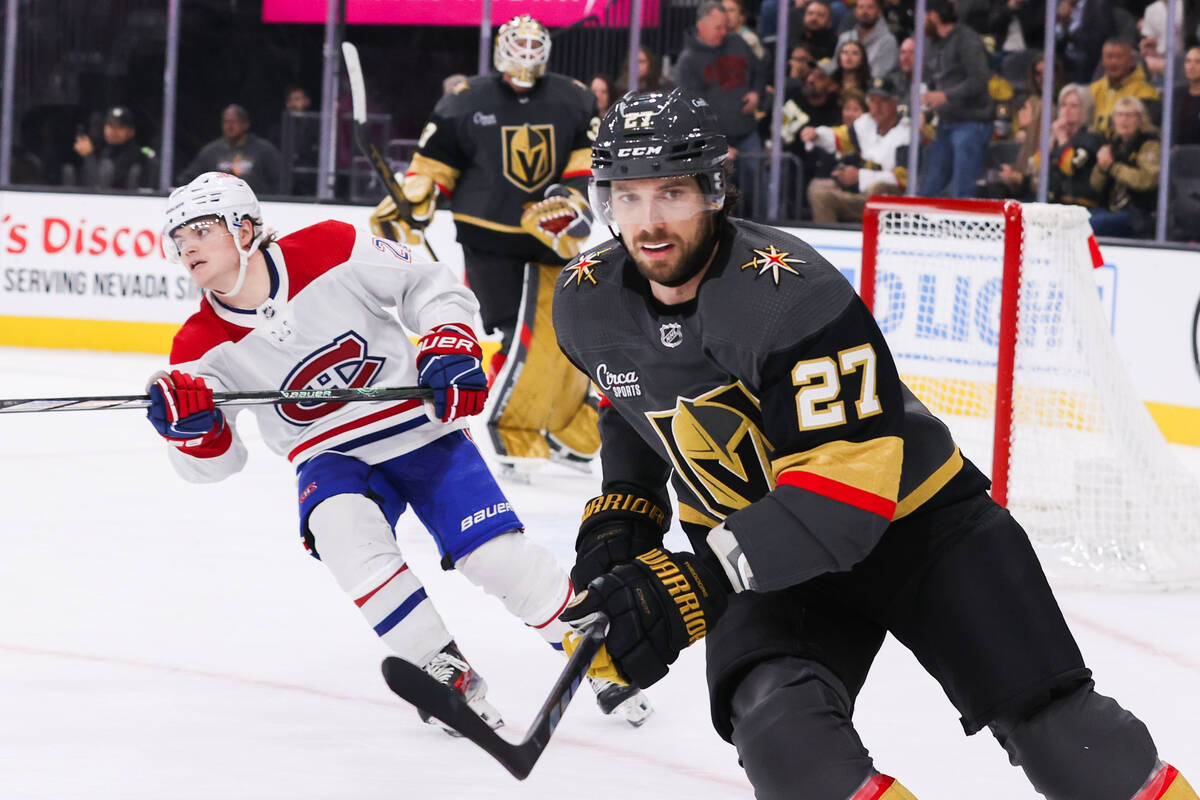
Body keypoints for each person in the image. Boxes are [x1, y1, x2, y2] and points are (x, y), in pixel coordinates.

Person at [552, 87, 1199, 800]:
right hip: (758, 557)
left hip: (917, 528)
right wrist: (623, 516)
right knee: (781, 736)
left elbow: (843, 495)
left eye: (671, 193)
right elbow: (633, 402)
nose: (649, 223)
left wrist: (693, 583)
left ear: (713, 190)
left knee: (1058, 731)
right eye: (628, 197)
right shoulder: (587, 298)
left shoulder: (787, 293)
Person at [150, 172, 652, 735]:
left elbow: (429, 282)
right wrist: (191, 430)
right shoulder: (196, 347)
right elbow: (215, 466)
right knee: (342, 532)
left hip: (418, 430)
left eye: (200, 229)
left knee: (494, 557)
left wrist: (448, 338)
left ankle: (600, 658)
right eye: (177, 236)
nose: (186, 245)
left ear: (244, 227)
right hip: (328, 454)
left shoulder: (329, 246)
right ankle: (442, 671)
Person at [369, 15, 602, 474]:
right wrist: (416, 198)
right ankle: (514, 428)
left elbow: (582, 167)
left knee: (571, 337)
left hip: (550, 239)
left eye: (535, 47)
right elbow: (433, 166)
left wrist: (570, 202)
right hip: (488, 237)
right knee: (519, 333)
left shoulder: (573, 97)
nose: (526, 56)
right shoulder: (465, 101)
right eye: (519, 47)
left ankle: (563, 428)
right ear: (500, 49)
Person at [676, 0, 766, 207]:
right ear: (702, 26)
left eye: (726, 27)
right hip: (717, 141)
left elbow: (759, 71)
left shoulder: (737, 42)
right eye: (718, 28)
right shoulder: (688, 62)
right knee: (725, 196)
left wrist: (756, 93)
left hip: (747, 131)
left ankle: (765, 230)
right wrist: (718, 145)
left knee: (758, 188)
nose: (723, 32)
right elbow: (692, 110)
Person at [803, 76, 910, 222]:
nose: (876, 106)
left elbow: (902, 179)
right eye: (872, 100)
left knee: (878, 189)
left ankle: (873, 242)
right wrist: (817, 135)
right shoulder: (866, 122)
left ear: (894, 103)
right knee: (819, 193)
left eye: (883, 101)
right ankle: (829, 243)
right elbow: (840, 137)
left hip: (893, 201)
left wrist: (860, 176)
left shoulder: (906, 131)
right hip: (861, 195)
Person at [917, 0, 994, 199]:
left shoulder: (967, 40)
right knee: (928, 186)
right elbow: (929, 80)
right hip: (945, 122)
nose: (922, 22)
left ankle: (963, 225)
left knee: (962, 188)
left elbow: (979, 80)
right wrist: (923, 110)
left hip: (972, 121)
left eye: (924, 17)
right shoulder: (932, 43)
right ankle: (923, 224)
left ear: (933, 16)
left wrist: (946, 96)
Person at [1089, 96, 1162, 237]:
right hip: (1112, 208)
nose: (1123, 120)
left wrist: (1112, 167)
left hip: (1139, 213)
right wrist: (1101, 167)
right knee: (1078, 221)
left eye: (1129, 115)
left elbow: (1145, 180)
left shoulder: (1150, 144)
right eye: (1119, 115)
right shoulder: (1114, 143)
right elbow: (1095, 186)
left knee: (1093, 223)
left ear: (1140, 119)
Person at [176, 104, 285, 195]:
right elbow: (187, 179)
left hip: (256, 204)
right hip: (219, 206)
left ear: (245, 125)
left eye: (234, 122)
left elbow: (280, 182)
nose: (229, 126)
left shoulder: (264, 150)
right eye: (226, 122)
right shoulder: (211, 152)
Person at [1044, 83, 1105, 207]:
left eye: (1073, 106)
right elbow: (1037, 171)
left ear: (1085, 110)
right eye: (1063, 105)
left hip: (1082, 206)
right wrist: (1051, 141)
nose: (1066, 110)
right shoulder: (1056, 138)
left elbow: (1071, 168)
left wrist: (1061, 139)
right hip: (1054, 203)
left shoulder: (1091, 139)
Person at [71, 106, 156, 190]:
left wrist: (88, 156)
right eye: (110, 125)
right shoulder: (103, 149)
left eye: (120, 127)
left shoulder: (135, 154)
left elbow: (104, 185)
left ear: (131, 132)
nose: (113, 131)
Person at [1090, 38, 1160, 137]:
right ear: (1103, 60)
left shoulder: (1146, 93)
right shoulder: (1094, 89)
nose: (1114, 62)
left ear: (1131, 60)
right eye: (1109, 56)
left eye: (1119, 57)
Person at [836, 0, 900, 78]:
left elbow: (879, 74)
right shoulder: (844, 38)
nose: (865, 11)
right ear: (855, 11)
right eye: (861, 7)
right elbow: (835, 66)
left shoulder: (888, 41)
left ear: (879, 11)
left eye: (870, 7)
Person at [1173, 45, 1200, 145]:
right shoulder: (1176, 95)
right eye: (1188, 61)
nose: (1191, 66)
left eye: (1198, 62)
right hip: (1177, 154)